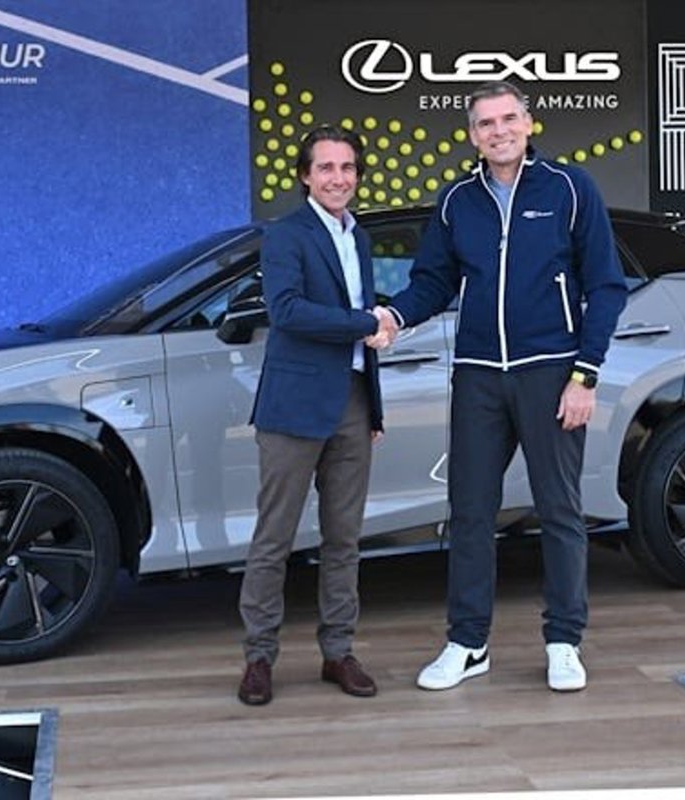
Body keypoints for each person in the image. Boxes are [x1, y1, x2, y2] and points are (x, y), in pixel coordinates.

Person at [374, 81, 627, 692]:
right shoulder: (457, 201)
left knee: (559, 510)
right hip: (479, 375)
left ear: (529, 124)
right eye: (486, 123)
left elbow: (606, 286)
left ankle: (564, 642)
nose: (499, 131)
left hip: (552, 372)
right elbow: (433, 281)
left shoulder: (570, 189)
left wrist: (585, 374)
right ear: (472, 136)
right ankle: (468, 643)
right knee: (469, 512)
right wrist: (395, 317)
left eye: (508, 119)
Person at [237, 125, 389, 706]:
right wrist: (366, 322)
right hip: (294, 407)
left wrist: (372, 408)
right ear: (305, 176)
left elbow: (363, 333)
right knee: (272, 540)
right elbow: (288, 311)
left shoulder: (360, 238)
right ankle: (258, 658)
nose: (337, 178)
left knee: (344, 540)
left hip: (352, 402)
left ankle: (338, 652)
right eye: (325, 167)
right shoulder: (286, 235)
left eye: (347, 168)